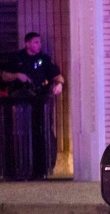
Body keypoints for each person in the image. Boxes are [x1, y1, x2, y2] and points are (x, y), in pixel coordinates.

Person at [2, 32, 64, 180]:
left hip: (38, 103)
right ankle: (14, 171)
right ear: (27, 44)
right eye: (36, 42)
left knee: (41, 133)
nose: (39, 45)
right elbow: (4, 75)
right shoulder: (17, 58)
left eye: (39, 43)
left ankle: (40, 171)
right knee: (16, 136)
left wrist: (60, 84)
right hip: (18, 106)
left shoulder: (44, 59)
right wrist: (17, 75)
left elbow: (57, 75)